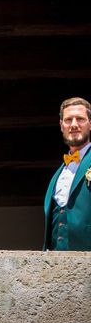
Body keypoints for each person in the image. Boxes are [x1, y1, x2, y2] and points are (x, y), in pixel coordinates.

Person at [43, 97, 91, 251]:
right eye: (68, 120)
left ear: (90, 124)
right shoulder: (58, 174)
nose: (74, 125)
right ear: (61, 125)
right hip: (54, 263)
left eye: (80, 119)